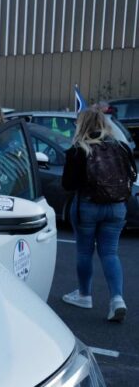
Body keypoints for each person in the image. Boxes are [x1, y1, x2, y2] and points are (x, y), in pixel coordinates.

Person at [61, 108, 135, 323]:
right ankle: (117, 299)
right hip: (117, 206)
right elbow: (132, 173)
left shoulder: (77, 150)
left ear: (80, 125)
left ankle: (84, 295)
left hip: (88, 206)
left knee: (84, 251)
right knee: (110, 252)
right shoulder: (120, 147)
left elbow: (68, 184)